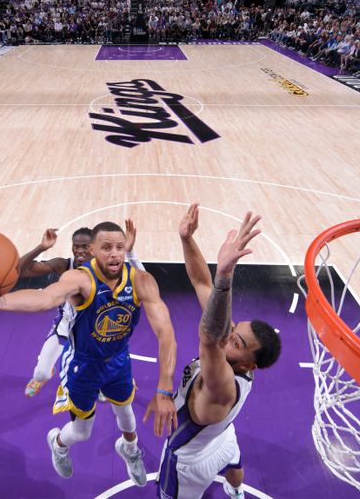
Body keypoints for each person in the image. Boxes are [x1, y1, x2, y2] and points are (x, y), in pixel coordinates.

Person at [0, 221, 178, 486]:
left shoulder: (141, 281)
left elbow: (167, 332)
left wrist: (164, 388)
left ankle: (130, 449)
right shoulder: (78, 279)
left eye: (119, 247)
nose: (114, 253)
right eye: (106, 248)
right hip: (84, 366)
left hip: (118, 361)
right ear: (92, 250)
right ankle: (58, 443)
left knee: (126, 413)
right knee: (82, 432)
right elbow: (45, 299)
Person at [157, 204, 281, 499]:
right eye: (234, 329)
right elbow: (202, 282)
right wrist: (187, 239)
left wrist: (225, 275)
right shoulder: (239, 360)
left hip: (188, 463)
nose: (229, 336)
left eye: (237, 343)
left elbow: (209, 337)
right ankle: (236, 490)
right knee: (234, 462)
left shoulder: (222, 384)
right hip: (222, 437)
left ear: (249, 365)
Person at [19, 221, 145, 397]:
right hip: (66, 328)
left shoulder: (108, 268)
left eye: (84, 246)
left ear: (93, 248)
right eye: (76, 246)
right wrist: (41, 248)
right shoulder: (63, 265)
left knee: (103, 377)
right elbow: (21, 271)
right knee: (41, 374)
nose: (79, 251)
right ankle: (42, 377)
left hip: (96, 335)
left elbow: (142, 278)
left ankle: (114, 379)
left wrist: (130, 251)